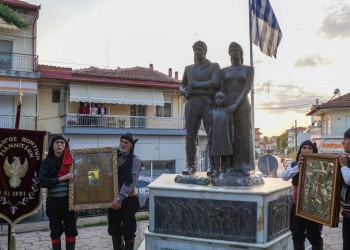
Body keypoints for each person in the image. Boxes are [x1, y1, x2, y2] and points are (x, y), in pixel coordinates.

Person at [180, 40, 221, 175]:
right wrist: (185, 92)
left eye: (200, 49)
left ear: (205, 51)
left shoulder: (213, 66)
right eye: (196, 49)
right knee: (190, 136)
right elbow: (182, 85)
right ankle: (190, 165)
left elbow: (215, 83)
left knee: (211, 134)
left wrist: (196, 85)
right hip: (192, 104)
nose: (198, 51)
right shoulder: (188, 69)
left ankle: (214, 166)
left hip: (207, 103)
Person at [281, 140, 323, 250]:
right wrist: (298, 167)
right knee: (297, 235)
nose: (307, 150)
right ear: (300, 151)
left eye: (310, 148)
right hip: (296, 205)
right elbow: (285, 176)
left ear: (314, 151)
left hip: (313, 207)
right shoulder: (295, 164)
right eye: (304, 148)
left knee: (315, 237)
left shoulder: (320, 165)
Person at [222, 42, 255, 176]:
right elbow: (221, 88)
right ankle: (229, 165)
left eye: (236, 49)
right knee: (229, 135)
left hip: (242, 104)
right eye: (231, 49)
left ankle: (245, 165)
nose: (234, 51)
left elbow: (247, 87)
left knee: (244, 135)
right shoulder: (224, 71)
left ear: (241, 53)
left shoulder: (248, 69)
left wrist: (236, 104)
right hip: (227, 105)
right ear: (229, 53)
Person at [39, 135, 77, 250]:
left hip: (69, 202)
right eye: (57, 142)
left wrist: (79, 203)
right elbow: (43, 182)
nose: (59, 144)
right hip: (53, 202)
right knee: (55, 231)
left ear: (65, 146)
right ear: (53, 146)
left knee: (71, 230)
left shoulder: (71, 161)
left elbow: (80, 182)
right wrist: (62, 178)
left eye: (62, 143)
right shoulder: (46, 162)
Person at [108, 133, 142, 250]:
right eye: (121, 141)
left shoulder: (135, 160)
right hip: (114, 200)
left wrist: (120, 198)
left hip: (128, 200)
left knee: (128, 231)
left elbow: (131, 181)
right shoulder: (113, 158)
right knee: (114, 230)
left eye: (126, 142)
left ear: (131, 145)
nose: (122, 144)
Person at [209, 91, 233, 176]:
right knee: (216, 153)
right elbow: (211, 125)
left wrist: (232, 137)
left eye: (220, 98)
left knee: (226, 152)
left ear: (224, 99)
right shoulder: (212, 112)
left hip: (225, 134)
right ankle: (217, 169)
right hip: (215, 135)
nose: (218, 100)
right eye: (216, 98)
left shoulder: (228, 111)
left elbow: (231, 125)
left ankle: (227, 168)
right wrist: (209, 136)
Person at [338, 128, 350, 250]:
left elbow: (348, 179)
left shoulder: (345, 163)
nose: (343, 142)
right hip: (346, 214)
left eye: (345, 139)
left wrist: (343, 165)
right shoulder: (348, 159)